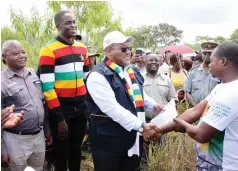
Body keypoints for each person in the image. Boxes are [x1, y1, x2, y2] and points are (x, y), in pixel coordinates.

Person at [86, 31, 163, 171]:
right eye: (124, 49)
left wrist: (153, 105)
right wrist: (141, 126)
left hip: (133, 138)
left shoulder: (131, 71)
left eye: (129, 48)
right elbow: (112, 108)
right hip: (109, 142)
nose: (129, 52)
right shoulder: (97, 76)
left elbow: (139, 94)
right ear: (109, 50)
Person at [156, 42, 238, 171]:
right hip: (210, 163)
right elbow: (195, 110)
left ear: (223, 61)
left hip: (225, 166)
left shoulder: (232, 92)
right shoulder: (222, 87)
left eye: (212, 60)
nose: (209, 64)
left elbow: (201, 134)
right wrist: (160, 129)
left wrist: (180, 124)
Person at [39, 10, 89, 171]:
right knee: (62, 153)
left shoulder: (82, 48)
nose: (73, 25)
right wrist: (60, 119)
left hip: (80, 107)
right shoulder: (48, 49)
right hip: (61, 109)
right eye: (68, 23)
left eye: (74, 22)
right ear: (58, 26)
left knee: (76, 151)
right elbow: (47, 88)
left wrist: (86, 107)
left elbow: (86, 79)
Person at [1, 40, 51, 171]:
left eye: (23, 52)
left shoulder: (33, 74)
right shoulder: (2, 81)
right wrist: (2, 150)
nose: (22, 56)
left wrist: (47, 129)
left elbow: (41, 103)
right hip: (15, 140)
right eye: (16, 53)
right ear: (4, 57)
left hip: (38, 137)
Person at [185, 42, 220, 107]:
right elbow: (187, 92)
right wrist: (195, 106)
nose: (207, 56)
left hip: (213, 110)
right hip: (195, 109)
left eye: (210, 53)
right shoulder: (194, 71)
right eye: (205, 53)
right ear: (201, 54)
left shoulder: (220, 72)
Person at [143, 53, 176, 121]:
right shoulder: (139, 79)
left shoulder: (167, 79)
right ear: (145, 63)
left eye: (156, 61)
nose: (154, 62)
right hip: (145, 120)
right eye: (150, 60)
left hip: (164, 119)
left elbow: (173, 99)